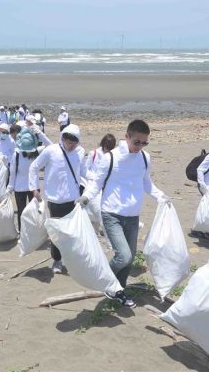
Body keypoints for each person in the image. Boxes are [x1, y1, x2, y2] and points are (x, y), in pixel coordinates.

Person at [80, 120, 170, 307]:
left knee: (129, 259)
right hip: (111, 213)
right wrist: (86, 197)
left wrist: (161, 197)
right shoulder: (110, 157)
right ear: (127, 136)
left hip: (133, 215)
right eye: (137, 142)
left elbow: (147, 183)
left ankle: (118, 290)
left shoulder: (145, 158)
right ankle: (104, 280)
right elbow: (96, 182)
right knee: (123, 256)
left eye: (145, 143)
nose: (140, 146)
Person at [28, 124, 86, 274]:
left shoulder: (79, 153)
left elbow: (85, 172)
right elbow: (34, 167)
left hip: (73, 200)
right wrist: (34, 188)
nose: (71, 145)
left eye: (74, 142)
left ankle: (72, 259)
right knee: (56, 233)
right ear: (63, 138)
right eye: (68, 141)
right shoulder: (51, 151)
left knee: (73, 232)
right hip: (54, 201)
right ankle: (57, 260)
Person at [6, 126, 49, 230]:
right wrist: (9, 188)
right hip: (19, 188)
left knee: (34, 212)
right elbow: (12, 173)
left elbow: (51, 146)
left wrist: (40, 134)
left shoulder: (38, 152)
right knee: (21, 212)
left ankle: (33, 233)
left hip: (34, 188)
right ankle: (23, 233)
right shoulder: (16, 154)